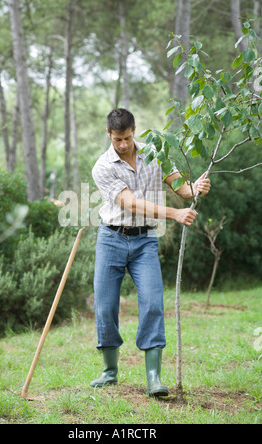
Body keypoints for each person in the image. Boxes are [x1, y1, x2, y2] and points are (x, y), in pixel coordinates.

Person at [91, 108, 211, 397]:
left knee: (153, 303)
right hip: (111, 239)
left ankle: (153, 377)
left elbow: (179, 187)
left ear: (135, 130)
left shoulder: (155, 151)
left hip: (145, 241)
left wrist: (195, 189)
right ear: (109, 134)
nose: (123, 144)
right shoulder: (102, 167)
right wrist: (174, 214)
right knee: (106, 307)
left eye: (128, 138)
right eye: (118, 139)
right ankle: (110, 371)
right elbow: (130, 204)